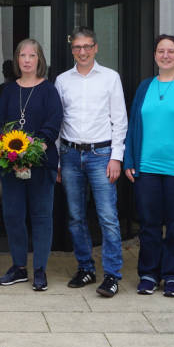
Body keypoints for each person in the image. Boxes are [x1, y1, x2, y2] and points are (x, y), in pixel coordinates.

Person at [123, 35, 174, 298]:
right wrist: (129, 160)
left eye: (171, 51)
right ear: (155, 55)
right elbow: (133, 126)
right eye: (161, 51)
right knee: (148, 224)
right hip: (146, 167)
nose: (166, 55)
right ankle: (148, 274)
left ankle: (173, 276)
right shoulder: (145, 86)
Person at [54, 27, 127, 297]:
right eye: (77, 47)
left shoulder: (110, 78)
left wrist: (116, 157)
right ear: (72, 49)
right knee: (75, 217)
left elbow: (119, 120)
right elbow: (59, 122)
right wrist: (58, 160)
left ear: (95, 48)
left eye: (87, 47)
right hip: (70, 155)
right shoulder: (63, 80)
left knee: (108, 218)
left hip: (101, 155)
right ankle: (85, 267)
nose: (82, 52)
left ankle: (112, 275)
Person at [0, 38, 62, 291]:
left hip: (41, 164)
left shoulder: (49, 90)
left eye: (31, 55)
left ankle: (40, 270)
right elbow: (0, 124)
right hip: (11, 165)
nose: (26, 60)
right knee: (13, 216)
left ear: (39, 60)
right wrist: (10, 153)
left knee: (41, 217)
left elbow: (53, 123)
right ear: (17, 60)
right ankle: (19, 267)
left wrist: (34, 149)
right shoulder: (9, 91)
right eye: (22, 56)